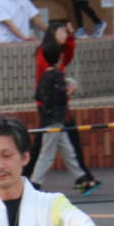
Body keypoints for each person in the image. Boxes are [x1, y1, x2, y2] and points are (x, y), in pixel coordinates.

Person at [27, 22, 98, 192]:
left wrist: (71, 37)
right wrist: (67, 89)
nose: (65, 34)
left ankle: (82, 177)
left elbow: (67, 56)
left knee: (64, 145)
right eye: (63, 31)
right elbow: (54, 79)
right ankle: (33, 183)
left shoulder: (54, 56)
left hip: (53, 108)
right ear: (53, 32)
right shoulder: (46, 54)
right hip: (54, 110)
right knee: (47, 149)